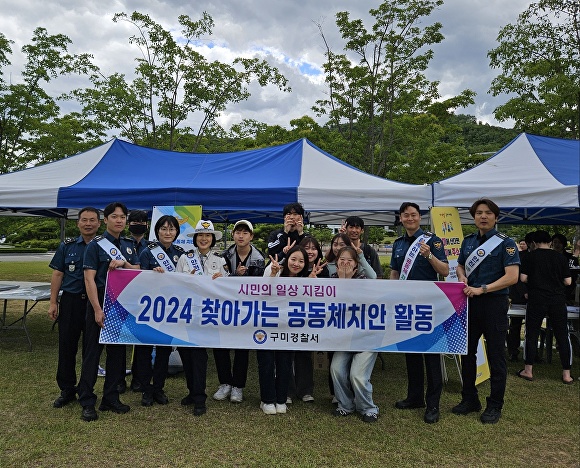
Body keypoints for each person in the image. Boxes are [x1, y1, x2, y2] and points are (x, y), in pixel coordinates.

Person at [453, 198, 520, 424]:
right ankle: (469, 399)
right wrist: (461, 276)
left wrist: (484, 289)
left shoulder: (506, 243)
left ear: (496, 217)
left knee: (495, 356)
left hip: (494, 304)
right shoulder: (469, 241)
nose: (483, 216)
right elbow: (460, 264)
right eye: (479, 213)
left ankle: (495, 405)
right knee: (467, 353)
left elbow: (512, 276)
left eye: (488, 213)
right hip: (470, 303)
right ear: (473, 217)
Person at [78, 202, 141, 422]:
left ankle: (111, 397)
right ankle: (86, 400)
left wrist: (124, 263)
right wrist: (96, 308)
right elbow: (89, 278)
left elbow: (139, 271)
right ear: (106, 220)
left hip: (122, 306)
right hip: (100, 305)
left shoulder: (129, 244)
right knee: (92, 354)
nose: (119, 220)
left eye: (122, 217)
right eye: (114, 216)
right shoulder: (95, 245)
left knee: (117, 355)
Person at [390, 202, 449, 424]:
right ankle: (414, 397)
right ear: (401, 218)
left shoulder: (432, 241)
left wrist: (429, 256)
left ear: (419, 217)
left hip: (428, 305)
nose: (410, 218)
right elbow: (395, 271)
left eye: (413, 215)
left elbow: (444, 270)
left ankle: (433, 403)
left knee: (432, 354)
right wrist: (392, 291)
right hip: (406, 304)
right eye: (406, 215)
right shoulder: (398, 243)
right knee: (412, 351)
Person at [48, 207, 101, 408]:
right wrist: (53, 302)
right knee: (67, 347)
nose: (88, 224)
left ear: (99, 223)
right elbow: (58, 274)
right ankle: (67, 389)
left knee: (91, 350)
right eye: (84, 220)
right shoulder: (67, 246)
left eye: (92, 220)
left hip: (94, 303)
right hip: (71, 302)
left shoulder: (104, 246)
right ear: (77, 223)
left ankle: (86, 389)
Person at [176, 219, 228, 416]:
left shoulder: (219, 260)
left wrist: (221, 281)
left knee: (199, 356)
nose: (204, 238)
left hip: (206, 313)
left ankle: (199, 397)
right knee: (186, 354)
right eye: (201, 235)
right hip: (187, 312)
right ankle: (192, 391)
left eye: (208, 236)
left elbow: (227, 288)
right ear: (195, 238)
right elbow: (175, 284)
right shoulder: (184, 259)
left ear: (212, 239)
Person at [134, 215, 185, 407]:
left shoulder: (181, 254)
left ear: (177, 233)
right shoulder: (147, 253)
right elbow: (139, 280)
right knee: (145, 351)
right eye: (164, 229)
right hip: (149, 309)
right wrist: (151, 274)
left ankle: (159, 388)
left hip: (169, 311)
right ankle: (146, 389)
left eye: (171, 229)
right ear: (157, 231)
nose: (168, 232)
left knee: (164, 351)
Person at [213, 219, 266, 403]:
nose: (241, 236)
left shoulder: (259, 258)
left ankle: (238, 386)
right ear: (233, 235)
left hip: (246, 309)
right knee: (220, 345)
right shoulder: (223, 256)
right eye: (238, 232)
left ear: (251, 236)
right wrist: (234, 275)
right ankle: (225, 382)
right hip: (225, 307)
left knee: (242, 347)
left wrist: (241, 277)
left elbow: (258, 287)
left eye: (245, 232)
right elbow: (220, 281)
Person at [330, 246, 379, 423]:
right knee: (336, 370)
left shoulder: (364, 281)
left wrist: (346, 282)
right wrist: (341, 280)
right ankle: (345, 405)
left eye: (349, 260)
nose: (345, 263)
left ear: (356, 266)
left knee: (357, 375)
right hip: (344, 339)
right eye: (341, 260)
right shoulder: (331, 281)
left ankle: (368, 408)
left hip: (366, 338)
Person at [258, 246, 310, 415]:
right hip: (267, 325)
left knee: (285, 363)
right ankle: (266, 399)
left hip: (289, 328)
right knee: (266, 362)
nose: (296, 264)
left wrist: (314, 282)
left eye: (301, 261)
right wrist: (273, 275)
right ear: (287, 259)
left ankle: (281, 398)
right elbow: (262, 293)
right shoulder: (274, 270)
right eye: (293, 259)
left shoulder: (305, 280)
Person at [517, 230, 573, 384]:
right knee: (562, 335)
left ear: (534, 243)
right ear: (550, 242)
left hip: (536, 299)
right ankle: (566, 374)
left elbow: (523, 278)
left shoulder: (529, 256)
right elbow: (568, 282)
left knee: (532, 333)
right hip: (557, 299)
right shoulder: (560, 257)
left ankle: (528, 370)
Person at [125, 209, 150, 392]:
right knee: (120, 342)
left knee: (143, 343)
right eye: (134, 221)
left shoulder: (153, 248)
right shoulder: (120, 245)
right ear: (128, 224)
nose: (138, 223)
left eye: (142, 221)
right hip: (124, 299)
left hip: (145, 302)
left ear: (147, 225)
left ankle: (140, 379)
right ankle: (118, 379)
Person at [506, 232, 533, 362]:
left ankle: (533, 354)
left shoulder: (539, 256)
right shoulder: (519, 256)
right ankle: (513, 351)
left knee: (533, 326)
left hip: (536, 296)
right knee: (515, 325)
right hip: (518, 295)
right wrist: (524, 292)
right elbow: (515, 277)